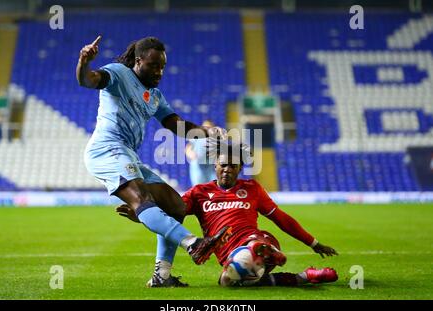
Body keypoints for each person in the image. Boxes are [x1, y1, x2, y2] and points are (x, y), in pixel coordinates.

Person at [77, 35, 232, 287]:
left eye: (162, 67)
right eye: (153, 65)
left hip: (128, 154)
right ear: (138, 61)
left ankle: (162, 276)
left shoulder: (155, 95)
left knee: (176, 206)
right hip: (106, 149)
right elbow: (88, 80)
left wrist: (207, 132)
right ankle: (193, 243)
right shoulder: (118, 74)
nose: (159, 71)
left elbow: (174, 123)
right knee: (142, 199)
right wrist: (84, 62)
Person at [118, 143, 338, 287]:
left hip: (254, 238)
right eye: (223, 165)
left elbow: (279, 217)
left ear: (240, 168)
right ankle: (305, 276)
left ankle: (261, 250)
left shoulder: (252, 188)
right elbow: (171, 216)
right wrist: (142, 215)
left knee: (250, 250)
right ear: (215, 165)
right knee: (227, 282)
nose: (227, 169)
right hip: (228, 255)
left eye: (233, 166)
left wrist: (313, 242)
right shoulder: (199, 193)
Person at [186, 120, 217, 186]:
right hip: (198, 165)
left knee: (213, 187)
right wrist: (191, 154)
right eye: (204, 127)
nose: (206, 129)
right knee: (199, 188)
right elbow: (188, 147)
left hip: (210, 167)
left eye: (209, 127)